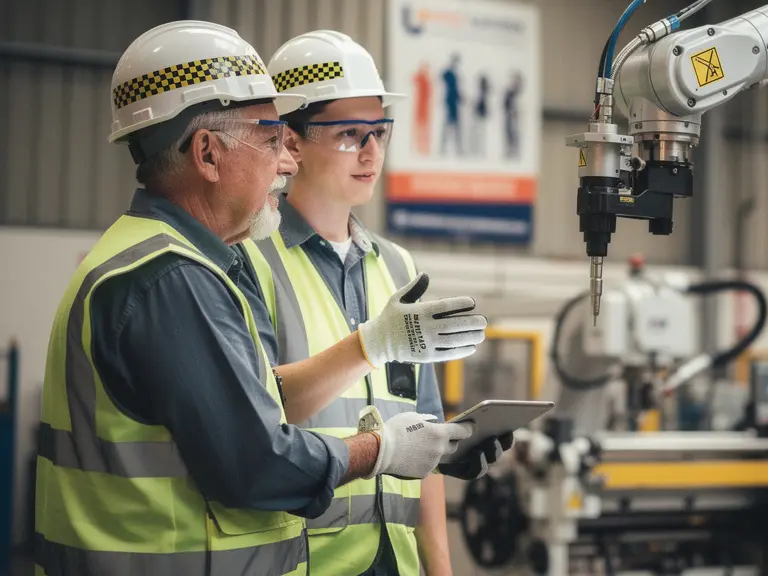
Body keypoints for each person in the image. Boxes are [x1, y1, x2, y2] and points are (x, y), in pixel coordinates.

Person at [34, 21, 486, 576]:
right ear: (208, 154)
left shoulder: (167, 261)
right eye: (272, 139)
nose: (286, 162)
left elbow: (247, 414)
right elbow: (258, 461)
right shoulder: (173, 278)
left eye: (380, 131)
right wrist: (382, 449)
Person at [250, 31, 515, 575]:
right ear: (291, 144)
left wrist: (439, 569)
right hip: (305, 562)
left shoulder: (397, 267)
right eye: (350, 134)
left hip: (394, 561)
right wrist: (371, 345)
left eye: (380, 131)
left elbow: (425, 431)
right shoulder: (250, 259)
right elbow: (252, 418)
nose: (371, 151)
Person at [440, 53, 463, 156]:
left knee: (455, 126)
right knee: (448, 125)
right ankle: (443, 147)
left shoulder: (454, 74)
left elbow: (456, 90)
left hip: (454, 103)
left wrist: (460, 98)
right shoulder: (449, 73)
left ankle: (457, 148)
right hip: (450, 102)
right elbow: (443, 76)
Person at [412, 62, 432, 156]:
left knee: (424, 129)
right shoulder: (421, 78)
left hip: (425, 108)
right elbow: (413, 78)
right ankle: (419, 147)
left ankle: (424, 148)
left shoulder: (427, 80)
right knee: (420, 128)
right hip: (420, 108)